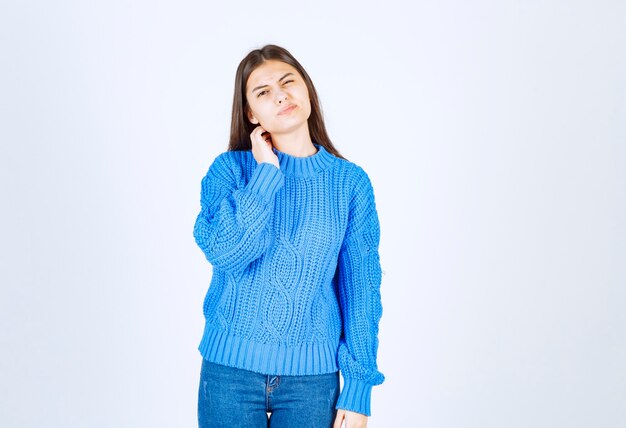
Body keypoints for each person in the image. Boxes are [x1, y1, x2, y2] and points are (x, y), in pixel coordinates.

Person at [193, 44, 384, 428]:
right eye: (263, 92)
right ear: (250, 113)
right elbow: (227, 253)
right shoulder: (230, 171)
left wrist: (359, 387)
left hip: (311, 382)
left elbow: (361, 289)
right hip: (229, 372)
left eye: (287, 82)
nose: (280, 94)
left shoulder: (349, 183)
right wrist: (265, 175)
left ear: (307, 90)